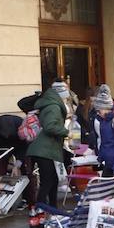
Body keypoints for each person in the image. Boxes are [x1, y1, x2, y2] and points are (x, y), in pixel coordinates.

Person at [27, 81, 70, 212]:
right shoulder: (54, 107)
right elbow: (50, 126)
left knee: (53, 180)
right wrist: (66, 132)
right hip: (45, 149)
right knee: (48, 181)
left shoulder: (50, 104)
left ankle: (52, 209)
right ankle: (39, 209)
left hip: (45, 149)